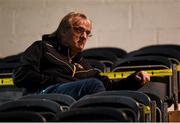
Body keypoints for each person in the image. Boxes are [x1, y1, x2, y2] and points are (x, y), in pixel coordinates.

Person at [13, 12, 150, 100]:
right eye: (79, 30)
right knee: (92, 85)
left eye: (88, 33)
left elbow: (108, 86)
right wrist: (56, 80)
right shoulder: (42, 47)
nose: (84, 36)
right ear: (63, 31)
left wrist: (133, 79)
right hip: (41, 95)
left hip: (67, 97)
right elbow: (20, 76)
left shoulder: (82, 64)